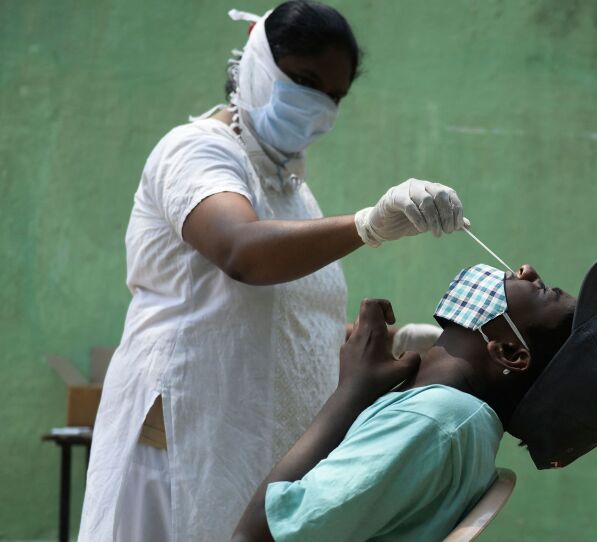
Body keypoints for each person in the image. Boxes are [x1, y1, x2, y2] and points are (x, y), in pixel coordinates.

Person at [80, 2, 464, 541]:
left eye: (333, 96)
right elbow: (242, 252)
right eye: (305, 81)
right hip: (179, 454)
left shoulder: (292, 192)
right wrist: (368, 225)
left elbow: (285, 326)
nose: (318, 105)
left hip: (251, 455)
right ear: (258, 63)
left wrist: (390, 346)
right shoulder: (196, 151)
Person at [231, 257, 597, 541]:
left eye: (543, 290)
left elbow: (256, 536)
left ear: (509, 352)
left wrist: (350, 394)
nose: (526, 270)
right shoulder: (460, 421)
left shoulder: (435, 423)